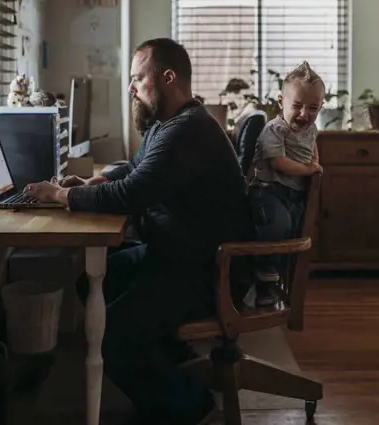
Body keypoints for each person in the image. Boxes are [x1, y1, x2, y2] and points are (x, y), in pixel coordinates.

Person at [22, 38, 254, 424]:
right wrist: (94, 181)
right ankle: (171, 366)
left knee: (109, 335)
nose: (131, 87)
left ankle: (191, 408)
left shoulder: (189, 130)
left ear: (167, 77)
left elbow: (133, 193)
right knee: (91, 283)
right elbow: (136, 169)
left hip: (207, 271)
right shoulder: (171, 124)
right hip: (177, 256)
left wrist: (62, 195)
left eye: (137, 78)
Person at [248, 61, 324, 307]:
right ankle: (262, 275)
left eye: (313, 108)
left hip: (294, 193)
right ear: (281, 102)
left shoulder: (311, 130)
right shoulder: (275, 129)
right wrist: (307, 170)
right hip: (269, 191)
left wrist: (315, 166)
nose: (305, 114)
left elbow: (313, 153)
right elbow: (279, 162)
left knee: (291, 235)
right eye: (298, 106)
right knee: (277, 226)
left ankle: (270, 285)